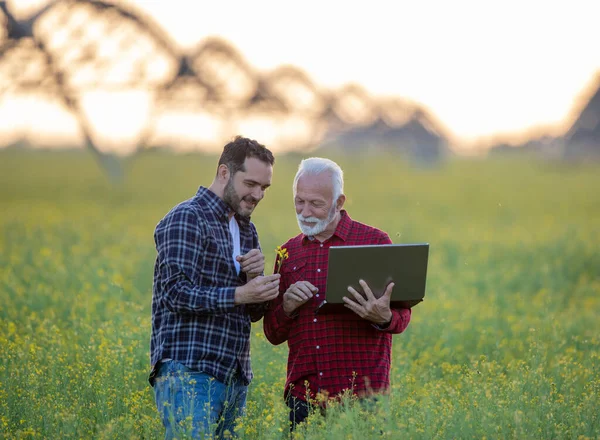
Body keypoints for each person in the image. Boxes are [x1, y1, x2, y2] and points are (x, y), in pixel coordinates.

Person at [263, 157, 412, 430]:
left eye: (316, 204)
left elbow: (402, 316)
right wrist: (286, 307)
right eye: (299, 201)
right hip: (304, 396)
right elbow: (272, 333)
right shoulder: (288, 252)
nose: (305, 211)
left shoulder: (374, 242)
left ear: (339, 202)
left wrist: (383, 317)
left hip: (363, 397)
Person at [150, 136, 281, 439]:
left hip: (234, 376)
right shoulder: (188, 217)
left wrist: (254, 280)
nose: (258, 194)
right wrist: (241, 293)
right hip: (189, 372)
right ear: (224, 173)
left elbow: (252, 313)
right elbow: (174, 293)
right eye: (251, 184)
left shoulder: (246, 228)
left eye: (264, 188)